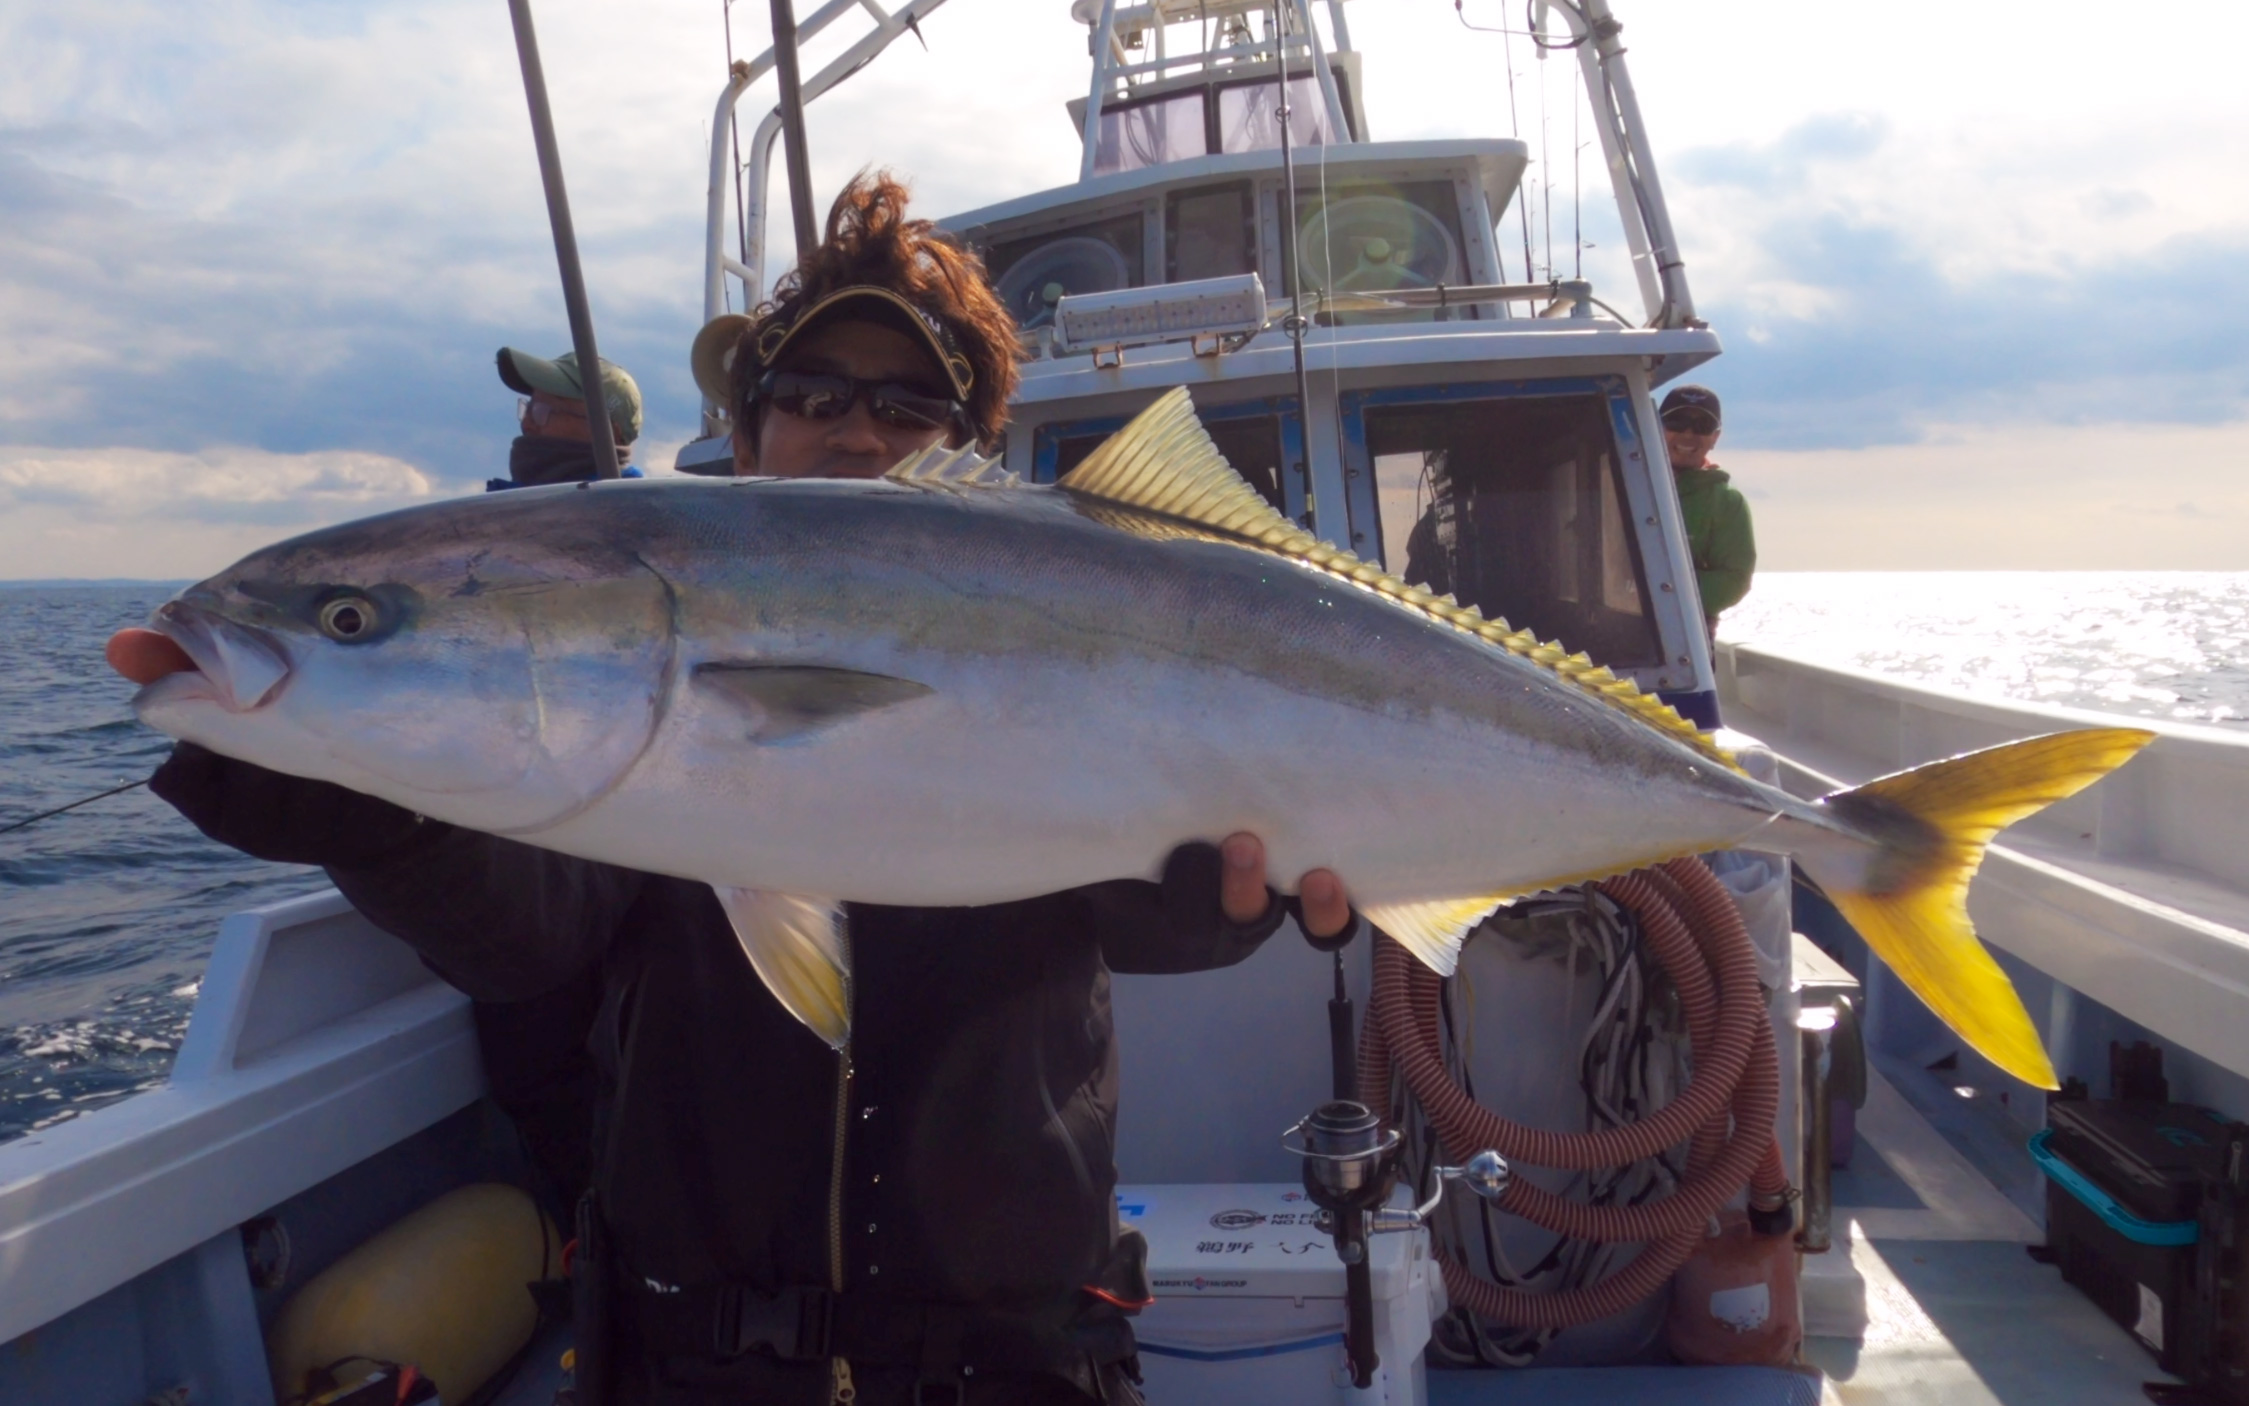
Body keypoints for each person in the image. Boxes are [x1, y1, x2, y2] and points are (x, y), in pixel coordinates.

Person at [148, 173, 1357, 1406]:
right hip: (691, 1359)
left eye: (908, 404)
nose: (857, 428)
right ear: (749, 429)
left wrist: (1218, 899)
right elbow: (529, 931)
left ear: (968, 450)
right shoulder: (623, 711)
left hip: (1010, 1354)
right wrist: (382, 820)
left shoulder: (1085, 623)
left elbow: (1133, 911)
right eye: (812, 394)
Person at [1658, 384, 1756, 636]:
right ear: (1654, 426)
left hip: (1685, 644)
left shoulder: (1728, 503)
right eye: (1677, 422)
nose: (1688, 434)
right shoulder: (1615, 482)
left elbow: (1734, 580)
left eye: (1702, 426)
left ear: (1715, 437)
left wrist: (1653, 594)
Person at [490, 346, 646, 490]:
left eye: (541, 411)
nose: (527, 424)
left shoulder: (633, 515)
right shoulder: (495, 512)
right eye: (528, 409)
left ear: (609, 432)